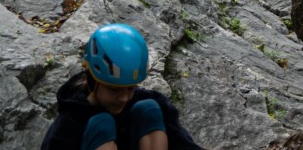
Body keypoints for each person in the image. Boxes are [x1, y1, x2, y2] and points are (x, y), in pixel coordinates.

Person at [42, 23, 203, 150]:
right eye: (114, 89)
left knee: (149, 109)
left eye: (131, 88)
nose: (124, 97)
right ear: (92, 80)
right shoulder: (68, 125)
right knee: (101, 123)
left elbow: (182, 144)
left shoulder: (143, 101)